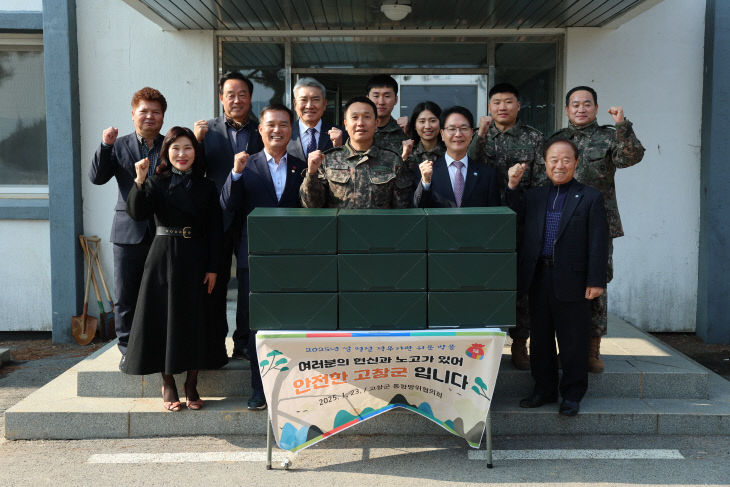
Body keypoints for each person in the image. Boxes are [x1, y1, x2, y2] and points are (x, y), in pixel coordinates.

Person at [121, 126, 223, 412]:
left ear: (195, 152)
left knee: (195, 319)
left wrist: (214, 267)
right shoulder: (155, 182)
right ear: (167, 152)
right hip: (163, 256)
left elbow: (216, 230)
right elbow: (137, 213)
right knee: (162, 318)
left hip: (197, 258)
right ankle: (168, 382)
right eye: (175, 148)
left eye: (188, 148)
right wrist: (139, 180)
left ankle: (192, 382)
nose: (182, 154)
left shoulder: (207, 186)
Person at [505, 138, 608, 416]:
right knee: (540, 339)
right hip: (539, 276)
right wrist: (513, 186)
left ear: (576, 163)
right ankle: (544, 389)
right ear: (545, 163)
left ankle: (572, 394)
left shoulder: (590, 197)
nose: (559, 165)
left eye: (565, 160)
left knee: (573, 340)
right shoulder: (535, 196)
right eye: (553, 159)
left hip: (574, 280)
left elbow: (599, 242)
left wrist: (596, 280)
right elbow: (513, 214)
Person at [551, 85, 645, 373]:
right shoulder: (557, 141)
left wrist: (622, 125)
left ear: (595, 108)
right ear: (566, 110)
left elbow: (631, 157)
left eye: (587, 104)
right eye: (575, 104)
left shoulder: (608, 136)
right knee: (559, 285)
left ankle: (593, 349)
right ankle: (563, 345)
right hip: (560, 225)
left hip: (598, 225)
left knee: (596, 284)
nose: (581, 109)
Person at [219, 105, 305, 410]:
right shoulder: (247, 164)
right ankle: (260, 388)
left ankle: (293, 387)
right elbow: (227, 206)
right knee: (258, 326)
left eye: (283, 125)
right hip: (253, 257)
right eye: (271, 125)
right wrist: (236, 174)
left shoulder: (301, 166)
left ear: (291, 130)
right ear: (260, 129)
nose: (277, 130)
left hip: (293, 260)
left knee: (292, 324)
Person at [467, 82, 548, 370]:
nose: (502, 107)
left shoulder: (534, 138)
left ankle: (520, 343)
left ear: (519, 105)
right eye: (497, 102)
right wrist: (482, 134)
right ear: (489, 107)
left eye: (508, 102)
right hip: (484, 225)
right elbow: (466, 167)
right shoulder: (477, 137)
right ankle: (483, 344)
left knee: (522, 286)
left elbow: (541, 182)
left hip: (521, 222)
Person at [89, 87, 166, 363]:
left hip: (163, 231)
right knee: (125, 295)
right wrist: (105, 145)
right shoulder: (119, 145)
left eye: (155, 112)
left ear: (163, 116)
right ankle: (127, 350)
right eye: (143, 111)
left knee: (160, 292)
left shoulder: (170, 145)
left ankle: (158, 347)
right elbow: (97, 178)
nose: (149, 116)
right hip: (127, 230)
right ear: (133, 114)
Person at [193, 72, 264, 363]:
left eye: (242, 94)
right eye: (230, 94)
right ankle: (214, 344)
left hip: (251, 216)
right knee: (214, 282)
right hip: (216, 218)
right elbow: (191, 170)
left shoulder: (264, 129)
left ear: (250, 97)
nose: (236, 100)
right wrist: (196, 143)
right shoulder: (206, 131)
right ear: (221, 98)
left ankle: (244, 342)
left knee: (250, 284)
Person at [300, 96, 412, 209]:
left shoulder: (392, 160)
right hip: (338, 226)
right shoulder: (327, 160)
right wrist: (311, 173)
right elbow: (310, 205)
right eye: (354, 117)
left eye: (367, 117)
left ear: (376, 123)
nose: (360, 123)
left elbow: (402, 209)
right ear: (346, 124)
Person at [413, 106, 500, 208]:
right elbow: (418, 209)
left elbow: (494, 215)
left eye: (463, 128)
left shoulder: (487, 174)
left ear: (472, 133)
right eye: (452, 129)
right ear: (442, 134)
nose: (458, 134)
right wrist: (425, 183)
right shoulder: (426, 172)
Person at [287, 77, 344, 161]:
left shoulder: (341, 135)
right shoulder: (285, 134)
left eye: (315, 100)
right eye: (304, 100)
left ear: (324, 104)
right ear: (295, 104)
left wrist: (339, 148)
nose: (309, 106)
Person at [401, 101, 445, 188]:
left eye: (433, 121)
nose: (427, 126)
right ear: (414, 125)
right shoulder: (408, 152)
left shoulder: (450, 152)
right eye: (422, 121)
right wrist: (403, 158)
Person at [367, 74, 408, 155]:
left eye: (387, 96)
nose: (381, 102)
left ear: (396, 100)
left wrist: (408, 133)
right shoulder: (358, 130)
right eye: (376, 96)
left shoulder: (403, 130)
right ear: (367, 99)